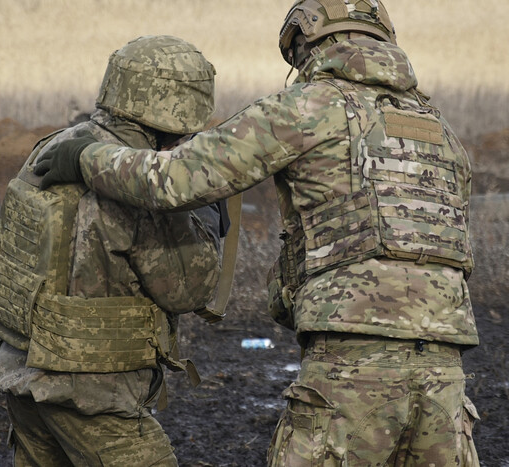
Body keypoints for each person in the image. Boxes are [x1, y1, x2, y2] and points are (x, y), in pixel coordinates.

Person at [36, 1, 483, 465]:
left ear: (305, 40)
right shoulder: (441, 131)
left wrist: (87, 158)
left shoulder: (307, 108)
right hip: (445, 369)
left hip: (351, 363)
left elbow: (176, 179)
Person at [0, 35, 224, 466]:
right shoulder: (136, 176)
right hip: (91, 393)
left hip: (22, 374)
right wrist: (201, 217)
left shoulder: (58, 144)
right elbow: (189, 289)